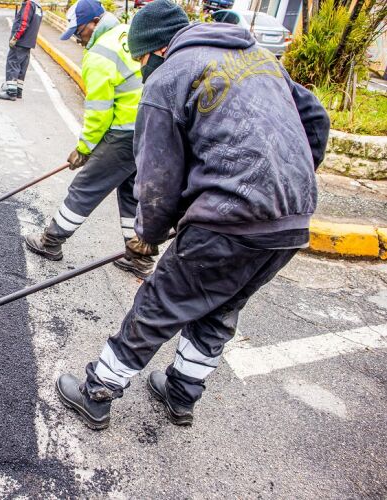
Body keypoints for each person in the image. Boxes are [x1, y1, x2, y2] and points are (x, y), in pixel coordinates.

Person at [55, 0, 330, 429]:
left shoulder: (168, 79)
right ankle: (181, 394)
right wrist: (288, 180)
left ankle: (98, 391)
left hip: (229, 216)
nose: (142, 66)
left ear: (156, 51)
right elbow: (315, 117)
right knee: (220, 307)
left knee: (161, 302)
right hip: (291, 221)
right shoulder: (257, 56)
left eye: (141, 58)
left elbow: (157, 174)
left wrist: (148, 232)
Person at [24, 0, 149, 278]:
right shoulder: (128, 32)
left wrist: (84, 149)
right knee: (131, 193)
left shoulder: (100, 55)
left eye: (79, 32)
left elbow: (100, 112)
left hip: (125, 133)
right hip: (151, 130)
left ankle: (51, 241)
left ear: (94, 23)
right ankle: (137, 257)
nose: (78, 39)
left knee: (85, 187)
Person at [0, 0, 43, 101]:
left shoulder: (28, 4)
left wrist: (15, 38)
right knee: (22, 66)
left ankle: (11, 92)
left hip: (21, 41)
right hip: (28, 42)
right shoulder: (38, 6)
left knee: (13, 63)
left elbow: (24, 23)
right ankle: (18, 91)